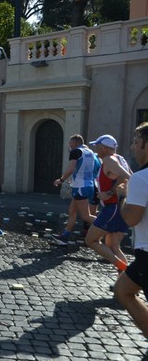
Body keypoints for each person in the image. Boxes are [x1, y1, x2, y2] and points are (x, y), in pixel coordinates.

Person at [114, 122, 148, 338]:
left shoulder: (140, 178)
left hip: (147, 253)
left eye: (136, 142)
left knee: (123, 291)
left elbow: (131, 219)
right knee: (122, 289)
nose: (133, 147)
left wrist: (123, 196)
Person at [84, 135, 132, 272]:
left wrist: (109, 193)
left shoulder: (109, 159)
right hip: (120, 207)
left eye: (97, 146)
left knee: (90, 240)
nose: (95, 149)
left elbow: (126, 177)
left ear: (104, 148)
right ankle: (124, 283)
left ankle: (124, 268)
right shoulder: (120, 159)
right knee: (113, 247)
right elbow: (131, 175)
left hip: (114, 207)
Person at [52, 134, 98, 245]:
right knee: (72, 211)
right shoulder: (90, 152)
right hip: (89, 185)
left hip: (80, 187)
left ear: (75, 143)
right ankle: (65, 235)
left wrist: (61, 180)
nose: (69, 145)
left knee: (85, 216)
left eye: (70, 143)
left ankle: (109, 226)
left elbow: (71, 168)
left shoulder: (76, 152)